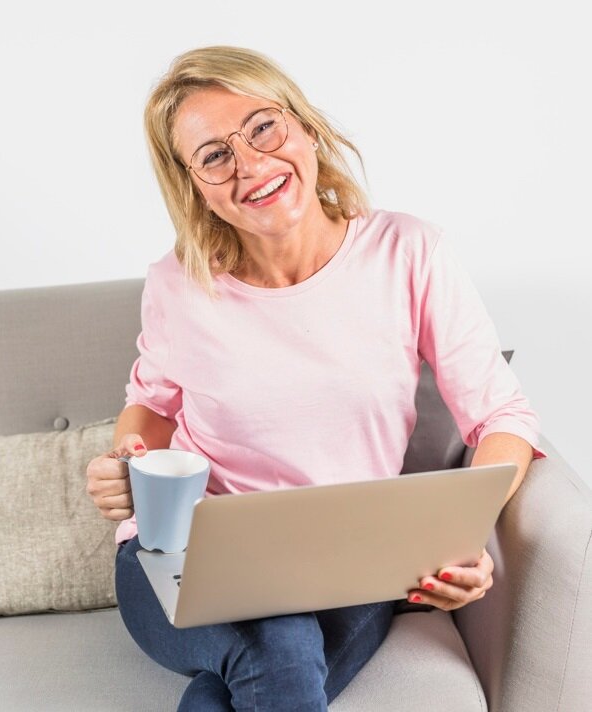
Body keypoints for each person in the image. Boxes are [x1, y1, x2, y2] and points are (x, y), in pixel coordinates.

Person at [86, 45, 547, 711]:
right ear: (193, 185)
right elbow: (150, 408)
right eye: (215, 155)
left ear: (304, 126)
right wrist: (127, 459)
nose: (250, 164)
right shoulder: (176, 285)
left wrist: (463, 536)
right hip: (182, 554)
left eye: (263, 127)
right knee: (279, 642)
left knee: (242, 679)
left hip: (349, 566)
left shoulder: (409, 253)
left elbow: (501, 416)